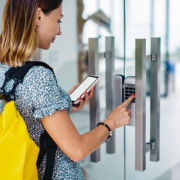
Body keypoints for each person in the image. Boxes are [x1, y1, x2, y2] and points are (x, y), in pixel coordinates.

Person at [0, 0, 135, 179]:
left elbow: (26, 120)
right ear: (38, 15)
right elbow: (77, 150)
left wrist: (65, 105)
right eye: (59, 21)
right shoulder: (39, 76)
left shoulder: (4, 68)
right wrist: (112, 122)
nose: (60, 30)